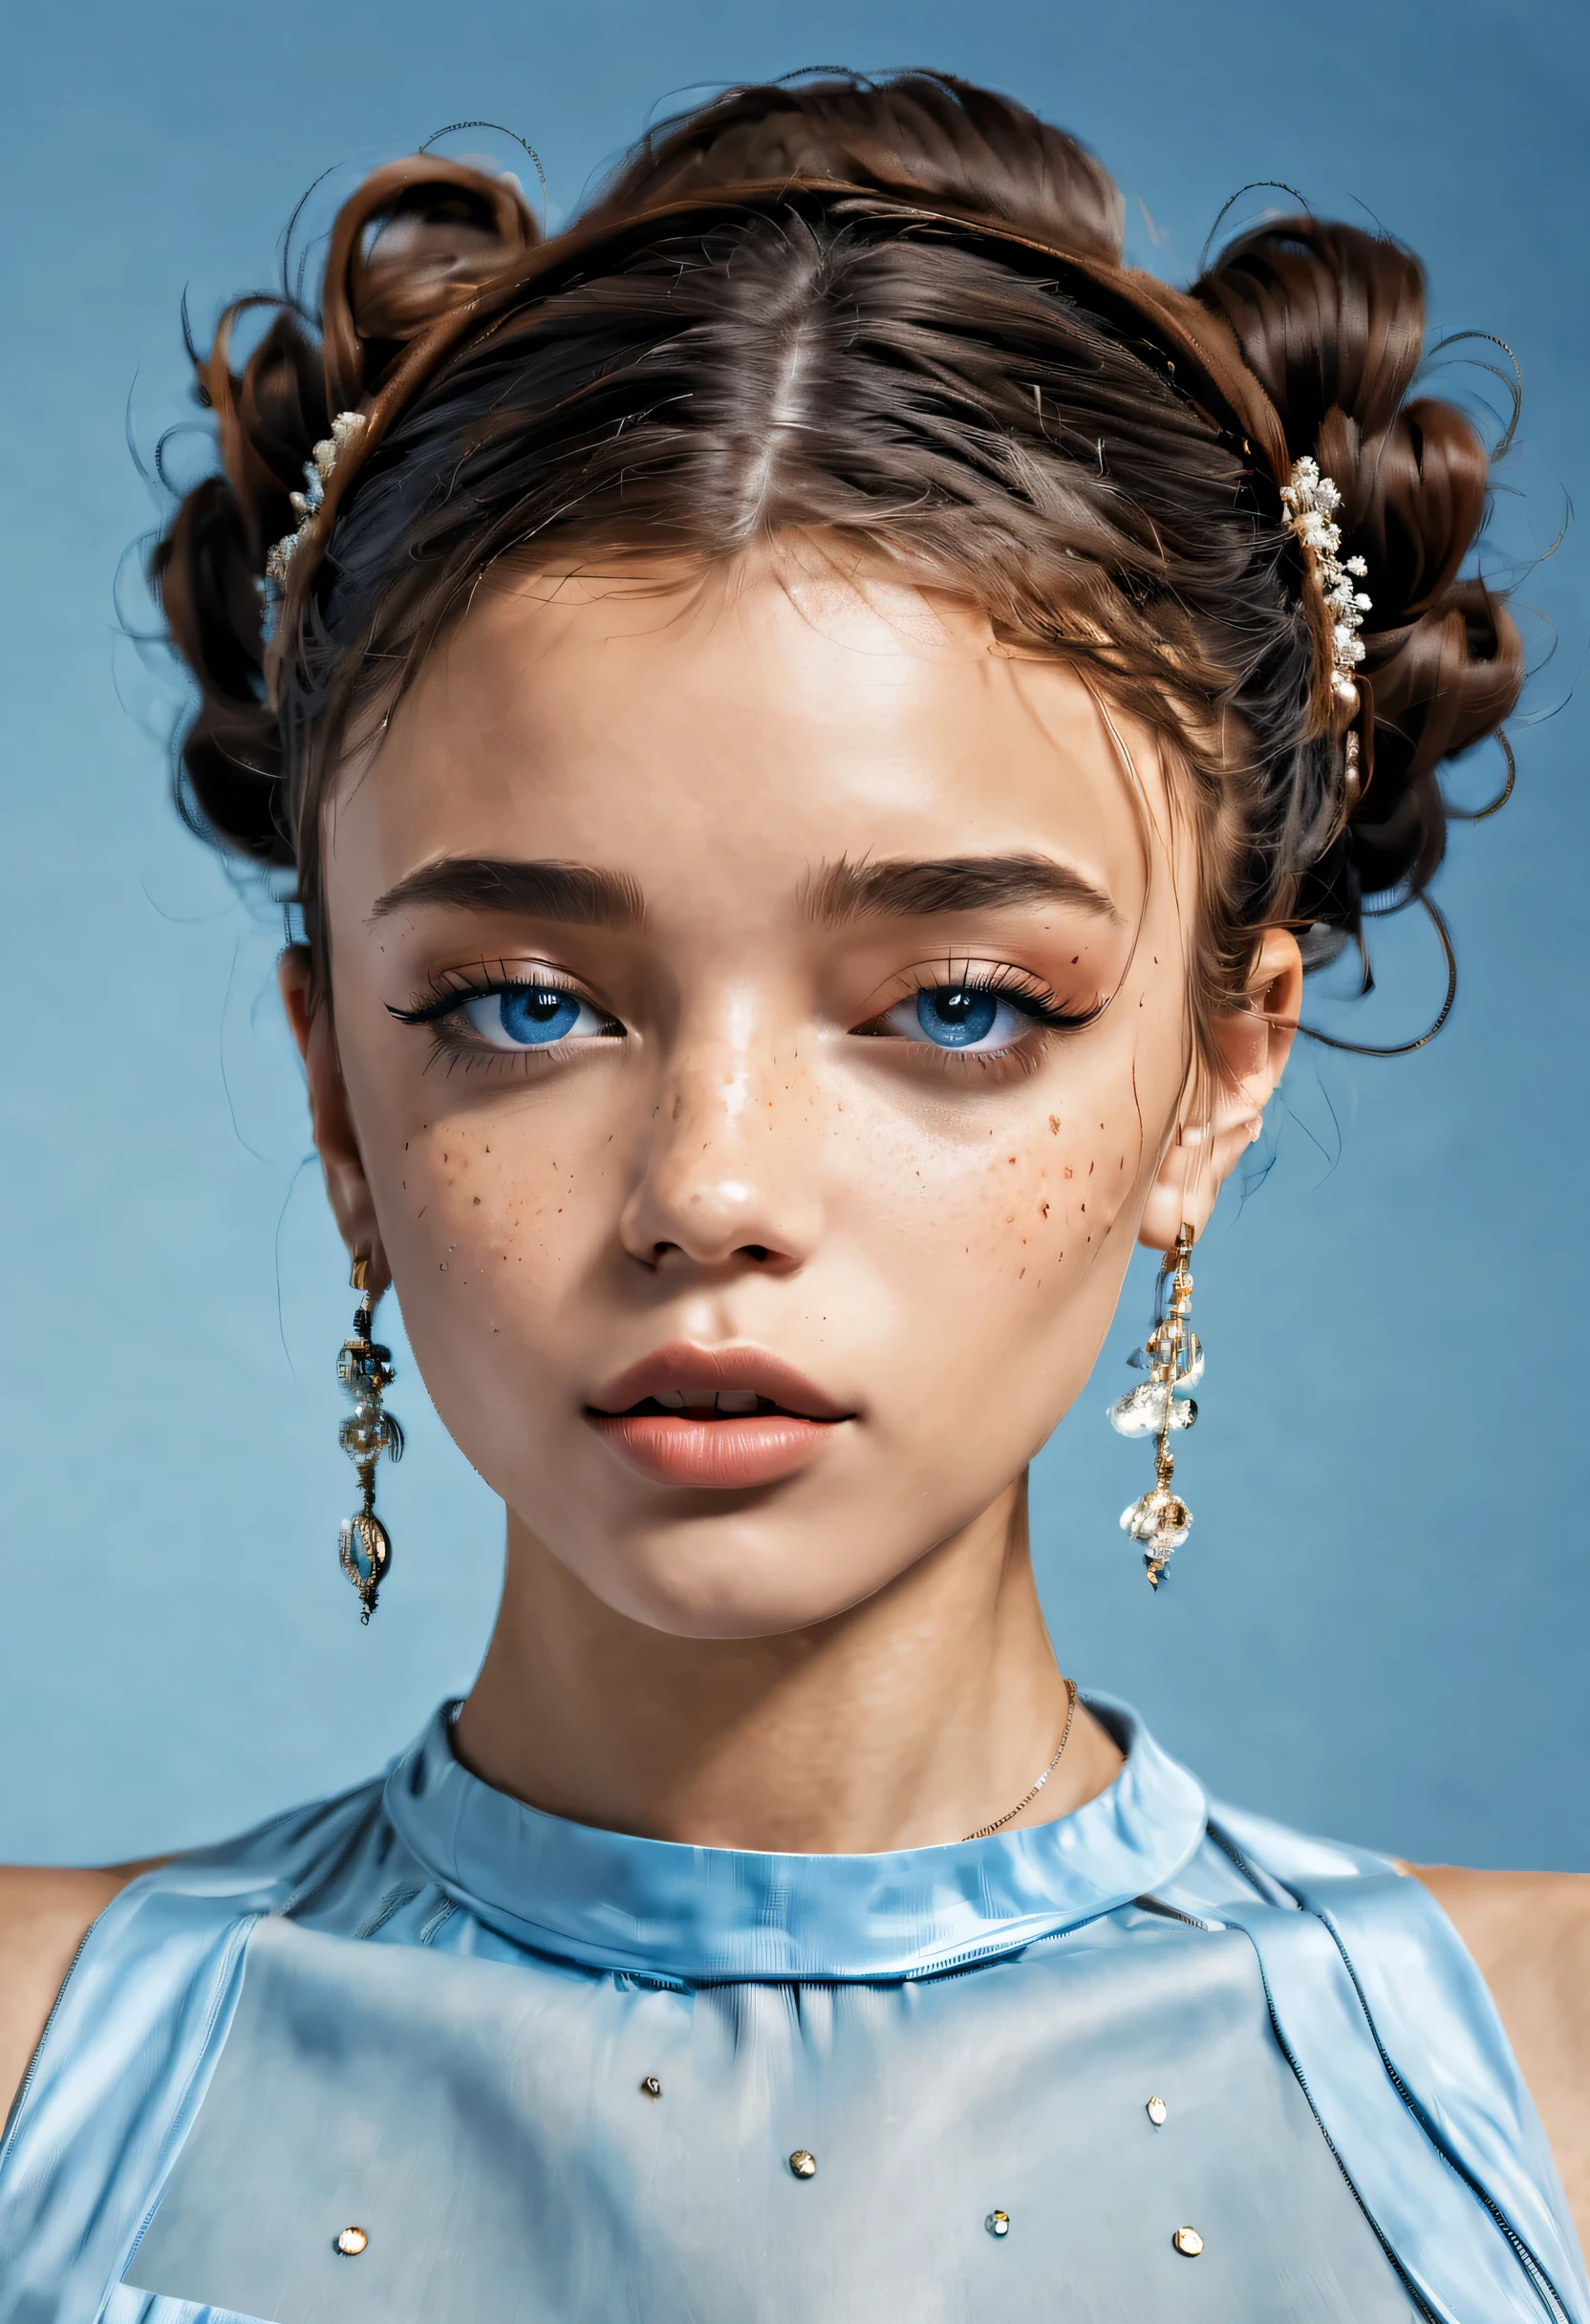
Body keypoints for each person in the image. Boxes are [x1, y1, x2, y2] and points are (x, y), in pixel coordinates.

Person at [0, 70, 1584, 2323]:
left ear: (1223, 1072)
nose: (710, 1191)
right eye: (527, 1006)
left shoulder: (1550, 2109)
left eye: (952, 1003)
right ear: (336, 1093)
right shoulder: (29, 2084)